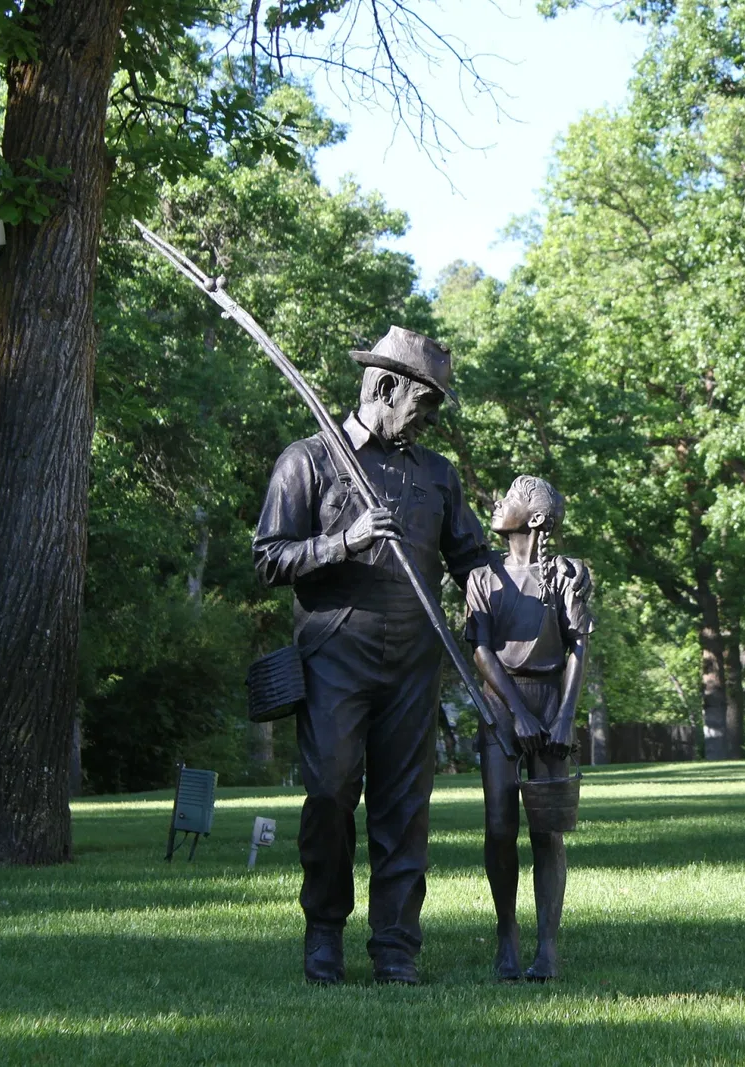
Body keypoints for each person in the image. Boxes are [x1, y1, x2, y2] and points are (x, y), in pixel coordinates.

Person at [253, 326, 488, 986]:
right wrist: (342, 542)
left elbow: (471, 560)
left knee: (405, 805)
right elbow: (269, 556)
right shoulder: (308, 460)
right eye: (426, 404)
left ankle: (394, 945)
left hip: (415, 660)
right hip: (334, 654)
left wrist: (528, 579)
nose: (431, 420)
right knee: (329, 791)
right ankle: (324, 930)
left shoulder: (438, 476)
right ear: (386, 388)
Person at [464, 475, 593, 980]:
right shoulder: (483, 577)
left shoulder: (567, 575)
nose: (498, 503)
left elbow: (578, 646)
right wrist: (514, 711)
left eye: (510, 498)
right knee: (499, 827)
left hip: (550, 702)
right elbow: (480, 648)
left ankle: (547, 946)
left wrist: (562, 717)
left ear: (535, 519)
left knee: (548, 832)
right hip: (501, 708)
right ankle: (506, 936)